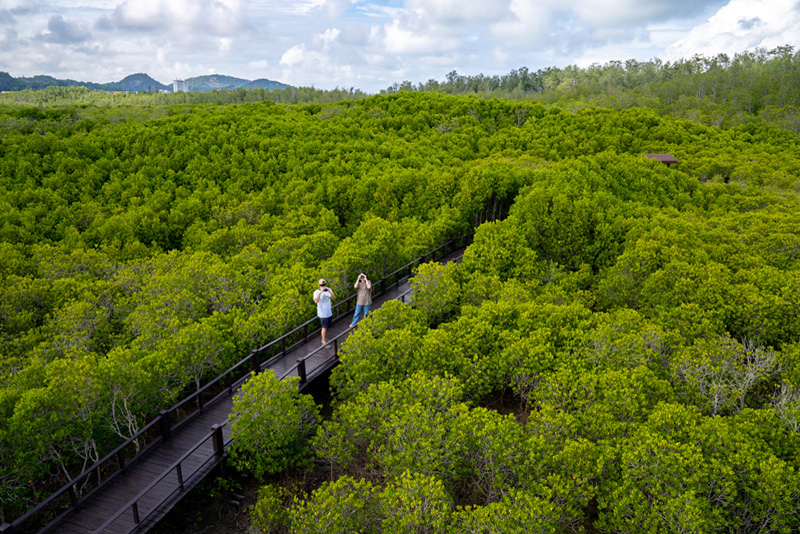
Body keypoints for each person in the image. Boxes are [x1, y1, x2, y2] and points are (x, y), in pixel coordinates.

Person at [313, 279, 335, 346]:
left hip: (328, 312)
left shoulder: (329, 290)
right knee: (324, 327)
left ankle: (324, 338)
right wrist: (320, 292)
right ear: (319, 285)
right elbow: (316, 301)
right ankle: (323, 341)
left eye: (324, 285)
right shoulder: (316, 292)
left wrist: (329, 291)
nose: (323, 286)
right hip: (322, 313)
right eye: (322, 285)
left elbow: (333, 297)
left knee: (328, 326)